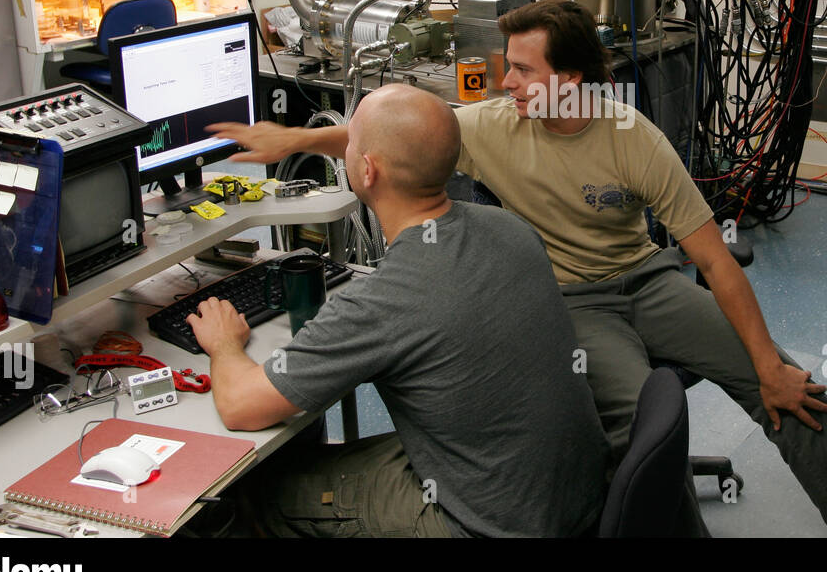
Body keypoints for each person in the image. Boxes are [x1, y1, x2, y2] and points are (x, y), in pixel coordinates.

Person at [209, 2, 827, 537]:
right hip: (573, 303)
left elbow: (715, 260)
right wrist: (293, 140)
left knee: (785, 382)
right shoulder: (496, 126)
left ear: (569, 81)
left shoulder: (634, 140)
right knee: (635, 431)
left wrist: (768, 365)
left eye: (523, 70)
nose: (506, 83)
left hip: (648, 280)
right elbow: (400, 135)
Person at [189, 83, 608, 537]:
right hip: (572, 494)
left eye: (351, 143)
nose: (345, 147)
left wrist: (224, 344)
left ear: (367, 170)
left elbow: (240, 406)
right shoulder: (510, 228)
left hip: (486, 523)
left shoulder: (385, 300)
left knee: (258, 490)